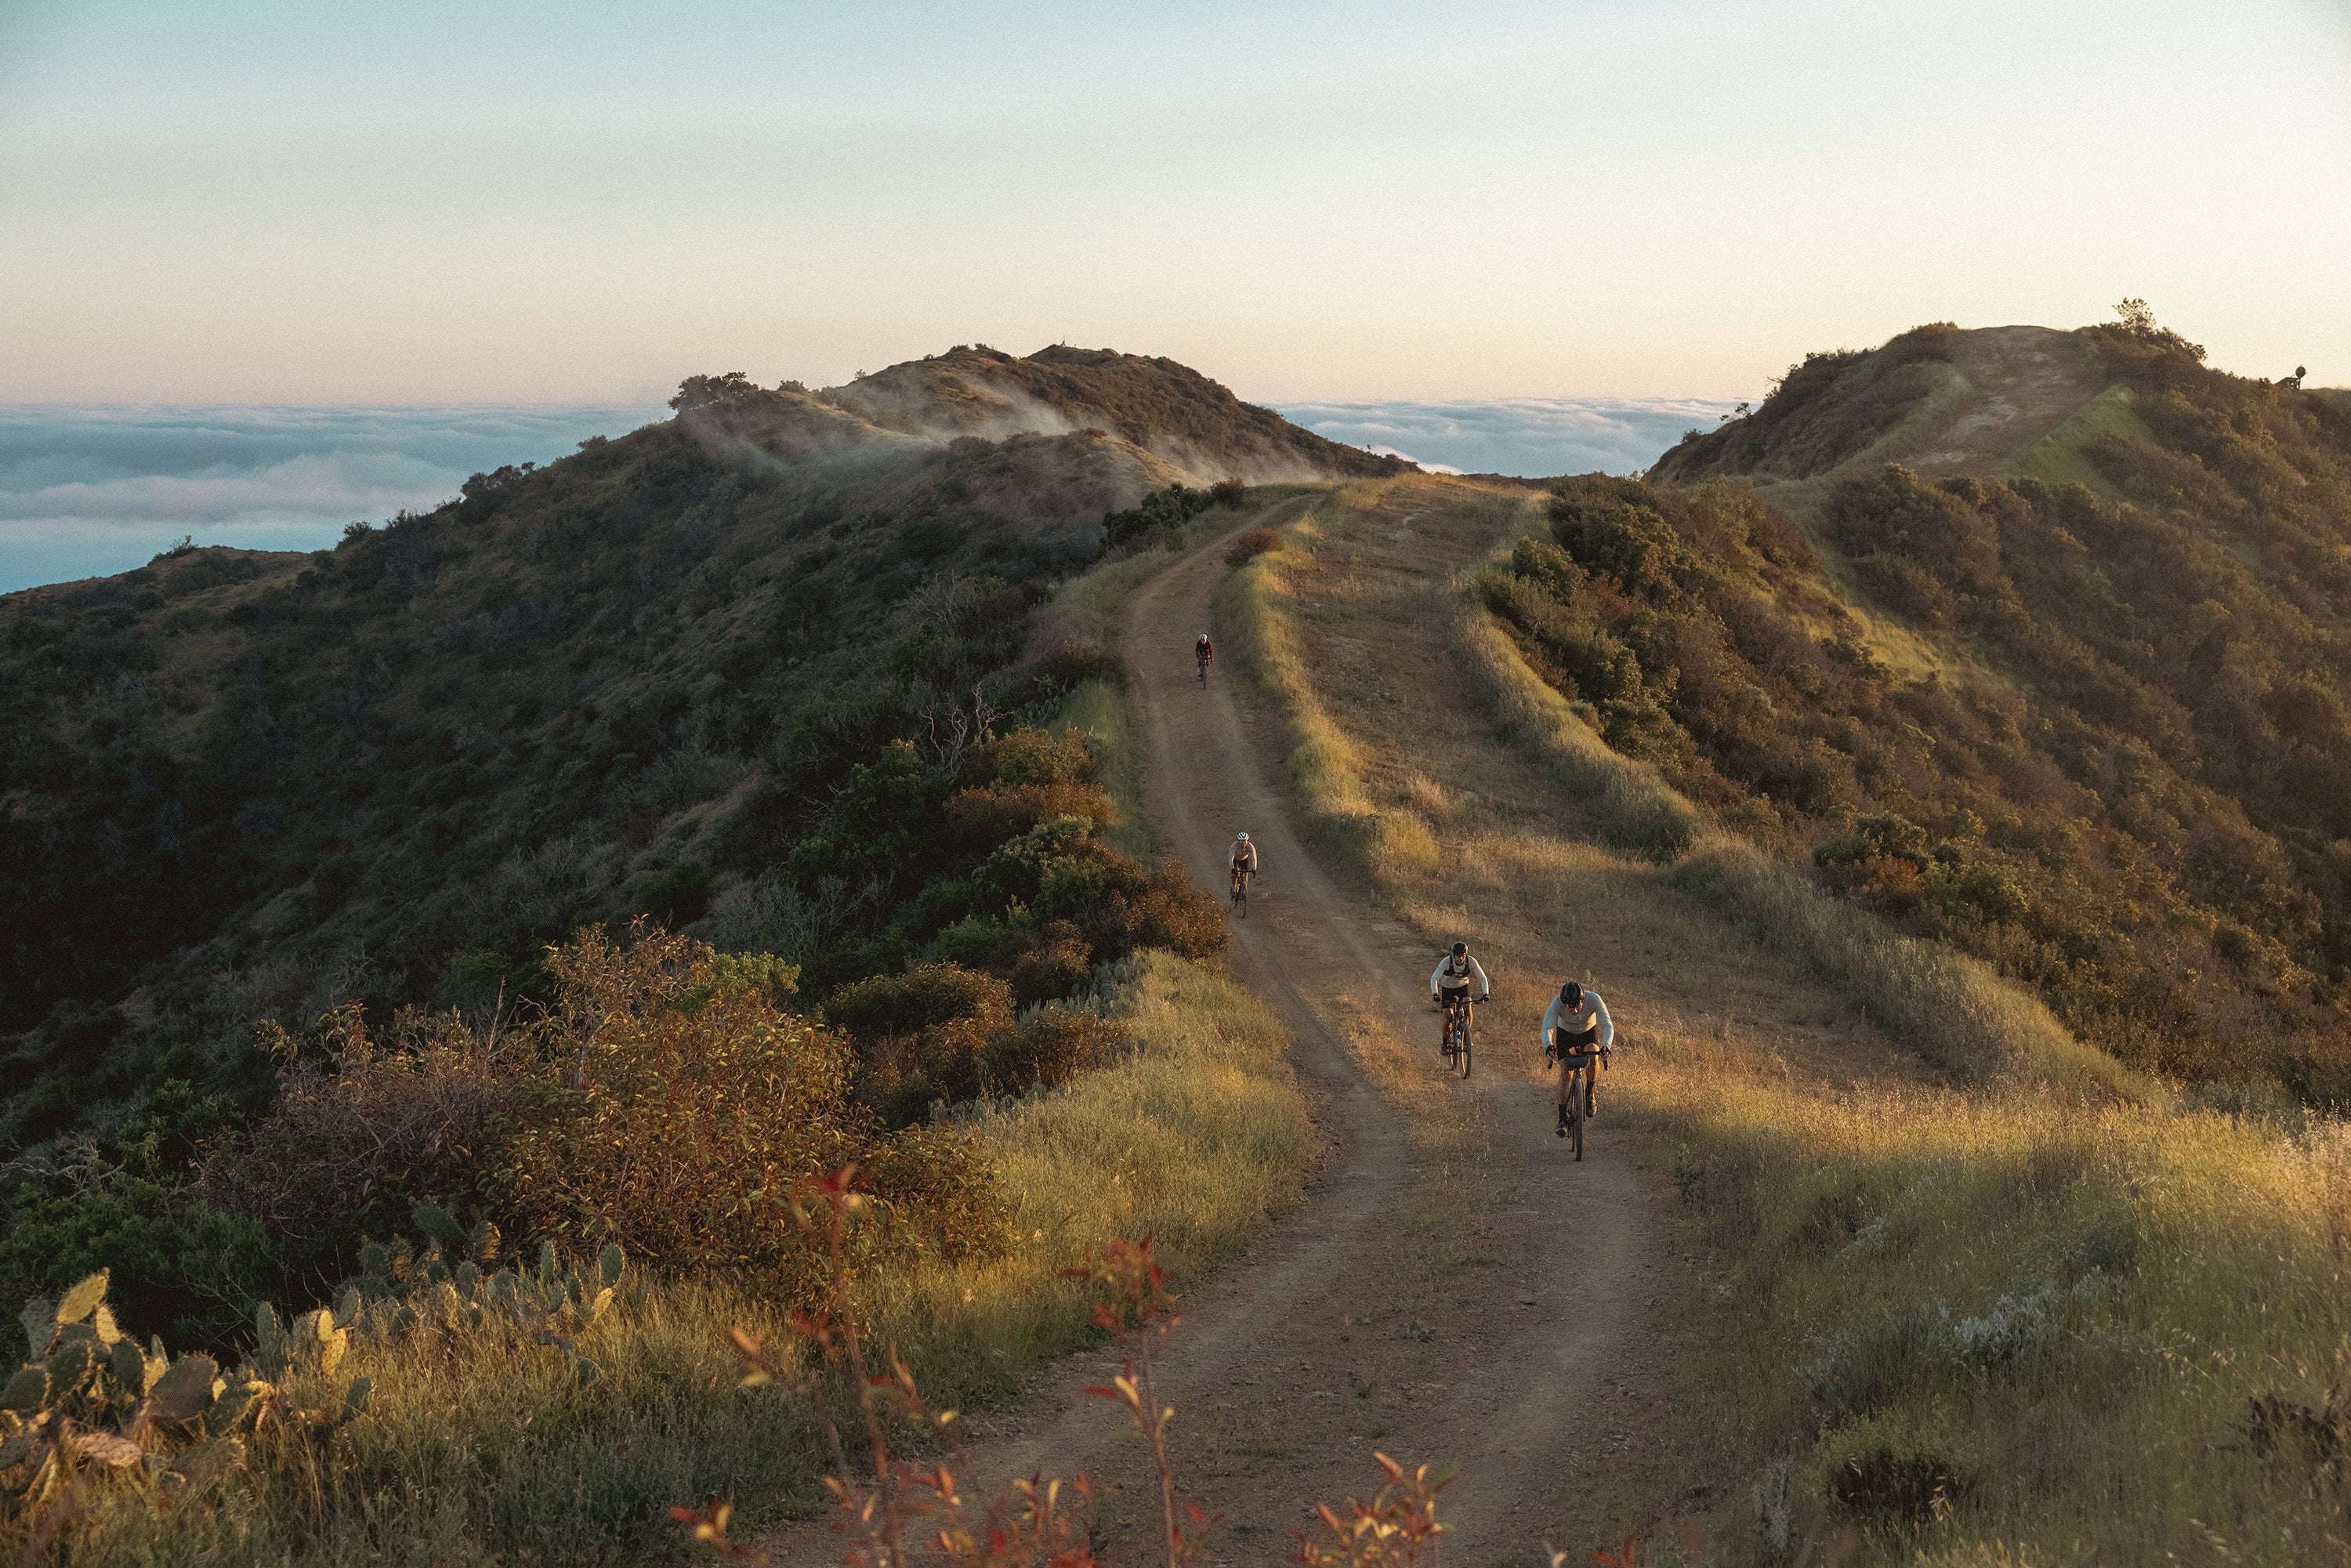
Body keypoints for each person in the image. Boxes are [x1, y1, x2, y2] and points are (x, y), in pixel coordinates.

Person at [1541, 980, 1614, 1134]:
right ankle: (1562, 1120)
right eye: (1569, 1007)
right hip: (1565, 1035)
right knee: (1565, 1072)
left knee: (1593, 1056)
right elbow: (1547, 1027)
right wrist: (1548, 1045)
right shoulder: (1557, 1003)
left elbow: (1607, 1025)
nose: (1573, 1010)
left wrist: (1606, 1046)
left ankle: (1589, 1092)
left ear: (1582, 1000)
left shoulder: (1594, 999)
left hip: (1587, 1034)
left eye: (1577, 1006)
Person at [1428, 940, 1490, 1051]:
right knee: (1448, 1018)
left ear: (1465, 954)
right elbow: (1434, 978)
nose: (1460, 958)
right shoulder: (1446, 962)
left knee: (1468, 1008)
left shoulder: (1471, 961)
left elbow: (1482, 978)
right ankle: (1445, 1043)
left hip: (1463, 988)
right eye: (1458, 956)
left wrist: (1486, 993)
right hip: (1448, 989)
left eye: (1463, 956)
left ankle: (1467, 1036)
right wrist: (1435, 994)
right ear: (1453, 955)